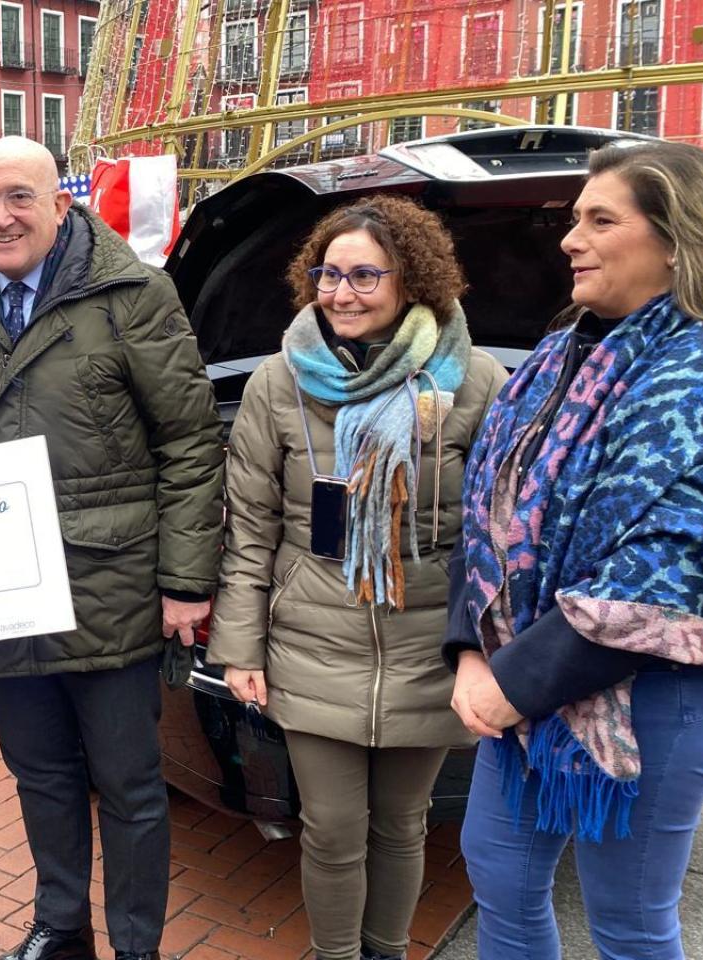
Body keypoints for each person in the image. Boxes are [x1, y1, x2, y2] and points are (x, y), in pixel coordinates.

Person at [445, 141, 703, 959]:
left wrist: (512, 681)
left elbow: (680, 568)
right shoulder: (554, 358)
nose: (568, 240)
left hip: (656, 698)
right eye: (574, 219)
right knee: (501, 882)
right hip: (522, 685)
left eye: (599, 219)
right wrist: (469, 656)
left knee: (628, 923)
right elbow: (484, 513)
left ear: (675, 239)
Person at [0, 136, 225, 960]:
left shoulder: (134, 295)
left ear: (61, 204)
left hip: (112, 583)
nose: (0, 216)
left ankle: (135, 945)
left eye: (20, 197)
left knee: (128, 786)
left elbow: (192, 444)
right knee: (41, 776)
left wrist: (186, 581)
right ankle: (60, 926)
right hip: (5, 589)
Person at [206, 196, 504, 960]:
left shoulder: (475, 382)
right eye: (328, 274)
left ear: (414, 280)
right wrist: (240, 647)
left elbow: (496, 534)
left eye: (364, 275)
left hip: (425, 642)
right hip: (311, 638)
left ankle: (387, 951)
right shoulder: (279, 382)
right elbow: (250, 530)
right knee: (331, 828)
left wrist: (485, 649)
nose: (341, 293)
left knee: (403, 824)